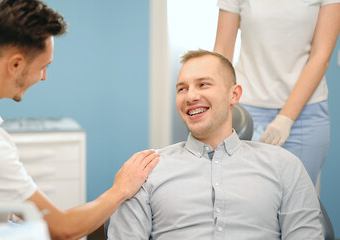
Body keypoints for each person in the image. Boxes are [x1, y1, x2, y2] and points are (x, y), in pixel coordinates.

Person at [0, 0, 159, 239]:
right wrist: (120, 189)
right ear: (15, 65)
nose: (44, 77)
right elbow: (64, 230)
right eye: (43, 66)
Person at [106, 49, 322, 239]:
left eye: (203, 84)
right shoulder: (145, 169)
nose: (190, 96)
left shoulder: (284, 165)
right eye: (182, 89)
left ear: (234, 94)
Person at [214, 0, 340, 185]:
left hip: (305, 114)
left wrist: (286, 118)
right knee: (245, 198)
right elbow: (222, 51)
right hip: (246, 111)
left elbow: (321, 56)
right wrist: (214, 100)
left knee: (296, 202)